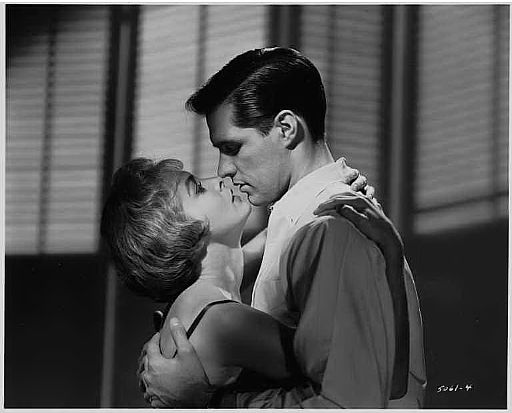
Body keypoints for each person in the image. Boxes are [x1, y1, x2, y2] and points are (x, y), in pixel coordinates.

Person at [138, 47, 427, 408]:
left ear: (286, 129)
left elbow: (349, 404)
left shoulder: (331, 228)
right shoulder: (297, 222)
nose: (223, 169)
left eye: (233, 147)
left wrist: (207, 400)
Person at [101, 157, 391, 404]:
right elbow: (336, 365)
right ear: (177, 234)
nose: (219, 180)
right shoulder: (224, 323)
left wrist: (327, 198)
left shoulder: (198, 296)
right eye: (198, 189)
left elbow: (271, 240)